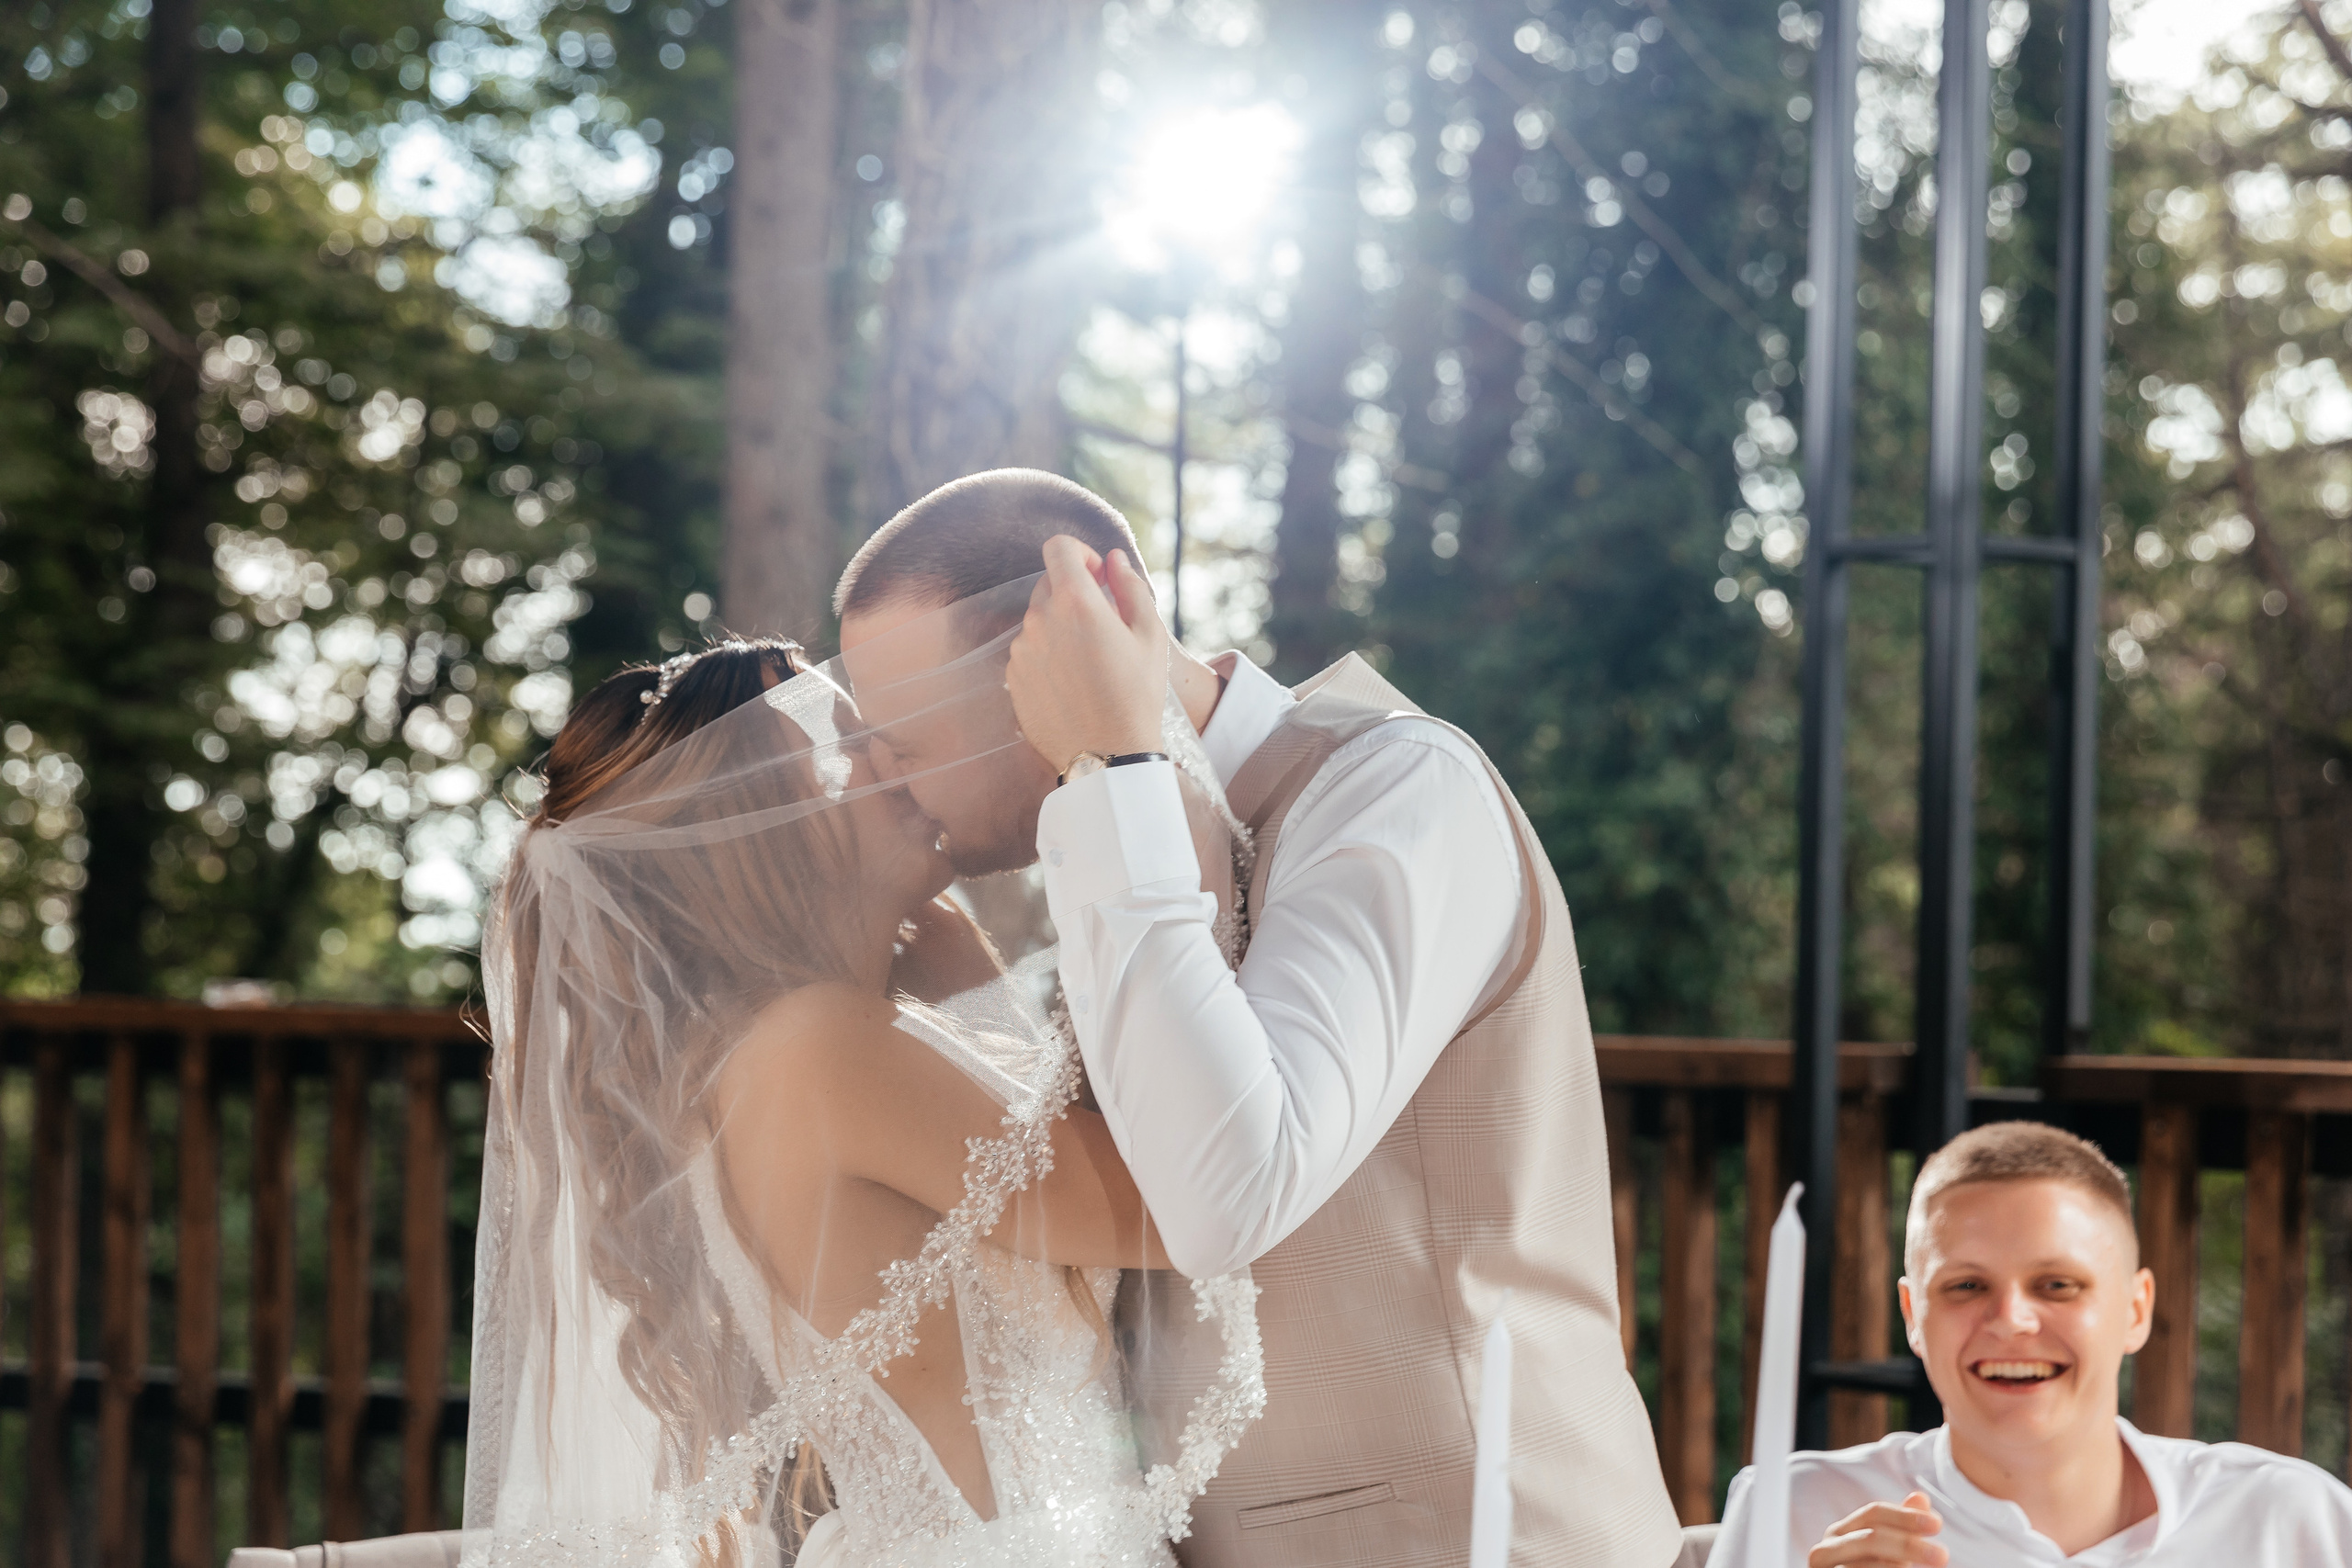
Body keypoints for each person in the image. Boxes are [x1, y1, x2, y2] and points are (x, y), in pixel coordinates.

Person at [837, 468, 1681, 1568]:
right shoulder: (1102, 851)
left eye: (910, 740)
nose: (888, 783)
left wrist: (1116, 762)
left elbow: (1232, 1190)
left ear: (1085, 628)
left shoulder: (1397, 788)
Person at [462, 614, 1264, 1568]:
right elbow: (1177, 1206)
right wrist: (991, 1001)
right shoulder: (818, 1049)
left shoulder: (770, 1051)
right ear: (765, 828)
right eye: (848, 750)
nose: (895, 758)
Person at [1712, 1121, 2352, 1566]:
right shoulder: (1794, 1511)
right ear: (1913, 1315)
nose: (2011, 1318)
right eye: (1966, 1284)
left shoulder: (2294, 1520)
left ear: (2135, 1309)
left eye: (2057, 1284)